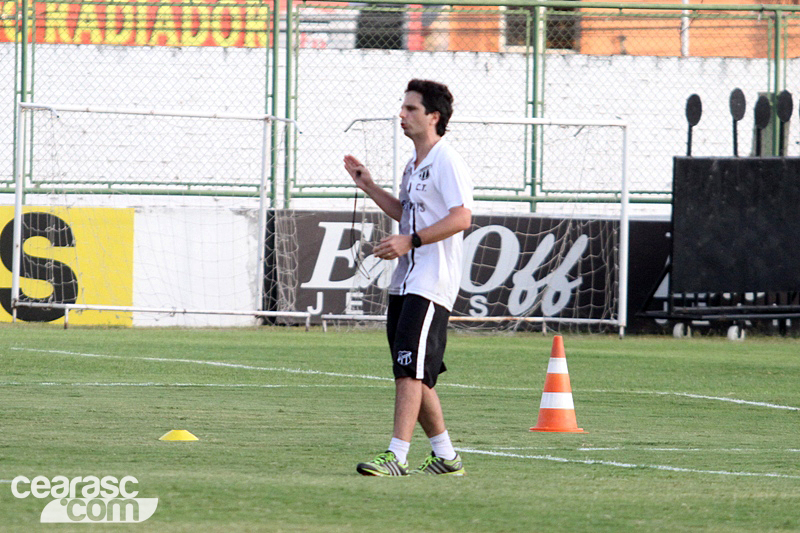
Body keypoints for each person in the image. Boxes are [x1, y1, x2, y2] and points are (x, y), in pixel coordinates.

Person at [344, 79, 473, 476]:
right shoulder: (413, 165)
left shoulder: (446, 159)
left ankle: (396, 456)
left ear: (433, 117)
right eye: (403, 108)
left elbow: (461, 217)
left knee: (408, 370)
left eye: (411, 109)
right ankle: (446, 456)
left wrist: (411, 241)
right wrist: (368, 187)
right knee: (416, 372)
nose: (402, 114)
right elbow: (407, 214)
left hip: (431, 282)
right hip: (405, 281)